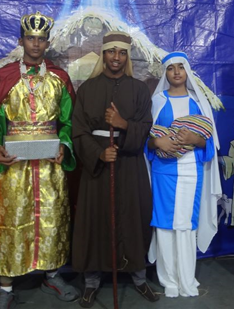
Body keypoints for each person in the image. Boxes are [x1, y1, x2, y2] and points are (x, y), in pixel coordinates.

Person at [0, 12, 78, 308]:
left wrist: (65, 145)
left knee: (52, 217)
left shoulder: (60, 78)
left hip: (50, 165)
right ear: (20, 41)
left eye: (41, 39)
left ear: (47, 43)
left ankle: (52, 275)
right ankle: (6, 287)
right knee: (12, 220)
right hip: (15, 163)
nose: (35, 44)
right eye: (30, 38)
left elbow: (69, 121)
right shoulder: (5, 76)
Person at [71, 31, 157, 308]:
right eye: (111, 51)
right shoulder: (88, 89)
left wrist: (123, 125)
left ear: (127, 56)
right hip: (98, 165)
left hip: (129, 164)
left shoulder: (139, 89)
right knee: (95, 219)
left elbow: (145, 127)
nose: (116, 57)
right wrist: (98, 153)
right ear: (104, 54)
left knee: (133, 217)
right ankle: (91, 281)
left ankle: (139, 277)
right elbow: (78, 130)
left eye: (121, 52)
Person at [145, 52, 221, 298]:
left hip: (191, 172)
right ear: (165, 73)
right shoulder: (157, 101)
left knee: (186, 225)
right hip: (163, 172)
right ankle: (168, 280)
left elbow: (209, 144)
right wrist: (158, 143)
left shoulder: (198, 102)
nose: (176, 72)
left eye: (181, 67)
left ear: (187, 71)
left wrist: (195, 139)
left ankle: (187, 279)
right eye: (171, 68)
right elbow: (146, 140)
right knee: (165, 225)